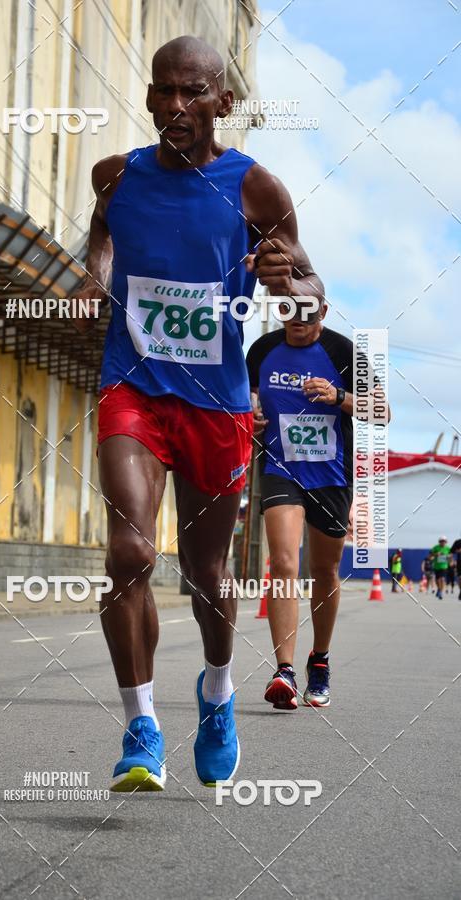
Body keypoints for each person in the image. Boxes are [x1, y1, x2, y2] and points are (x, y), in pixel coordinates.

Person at [75, 36, 323, 790]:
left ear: (222, 101)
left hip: (215, 403)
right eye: (162, 91)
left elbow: (310, 296)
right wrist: (94, 281)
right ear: (149, 96)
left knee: (207, 577)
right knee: (128, 555)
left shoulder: (257, 190)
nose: (174, 108)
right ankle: (140, 726)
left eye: (192, 93)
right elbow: (102, 245)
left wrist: (290, 284)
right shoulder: (116, 176)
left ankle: (216, 693)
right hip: (134, 389)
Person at [246, 303, 390, 709]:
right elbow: (245, 403)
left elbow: (383, 412)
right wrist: (250, 419)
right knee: (284, 563)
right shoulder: (261, 351)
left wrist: (339, 396)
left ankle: (320, 661)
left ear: (322, 310)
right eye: (288, 310)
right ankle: (284, 670)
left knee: (324, 570)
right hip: (281, 469)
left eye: (307, 314)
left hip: (331, 475)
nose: (297, 321)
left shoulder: (344, 353)